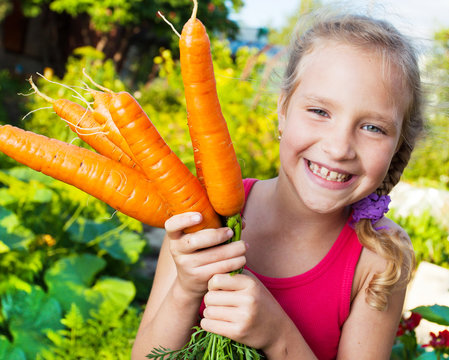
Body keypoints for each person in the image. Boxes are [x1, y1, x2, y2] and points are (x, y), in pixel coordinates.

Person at [132, 9, 424, 360]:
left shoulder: (380, 255)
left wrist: (278, 336)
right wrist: (186, 288)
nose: (339, 147)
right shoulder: (203, 213)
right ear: (282, 110)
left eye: (373, 127)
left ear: (399, 146)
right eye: (319, 112)